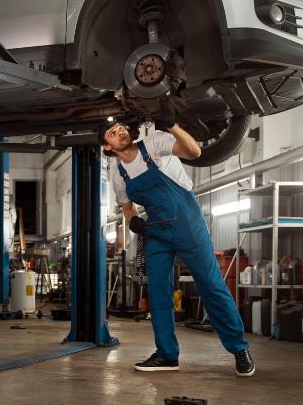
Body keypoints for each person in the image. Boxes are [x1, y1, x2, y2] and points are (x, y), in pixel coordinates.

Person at [98, 107, 255, 377]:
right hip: (156, 232)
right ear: (107, 146)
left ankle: (239, 348)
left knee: (211, 285)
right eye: (113, 132)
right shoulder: (118, 175)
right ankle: (167, 354)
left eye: (121, 127)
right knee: (159, 294)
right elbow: (127, 209)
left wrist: (172, 126)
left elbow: (194, 153)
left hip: (187, 223)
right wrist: (133, 220)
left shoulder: (154, 142)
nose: (121, 131)